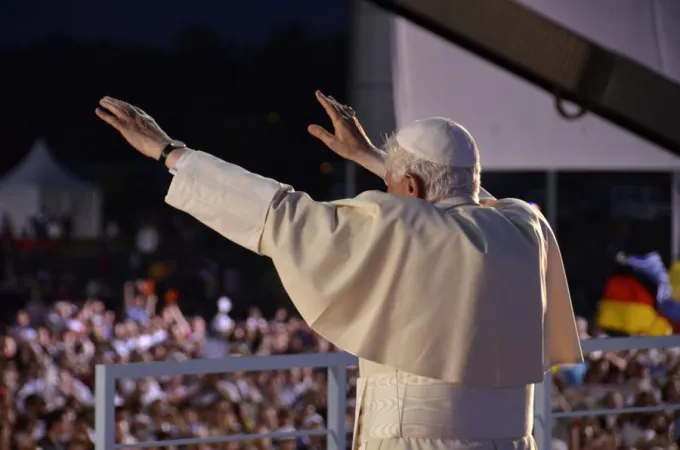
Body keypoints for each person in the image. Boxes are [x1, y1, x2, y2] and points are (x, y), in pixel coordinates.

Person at [95, 92, 583, 450]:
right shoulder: (523, 227)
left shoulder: (401, 230)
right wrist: (375, 158)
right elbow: (458, 197)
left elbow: (278, 213)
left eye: (394, 184)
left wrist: (170, 153)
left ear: (408, 187)